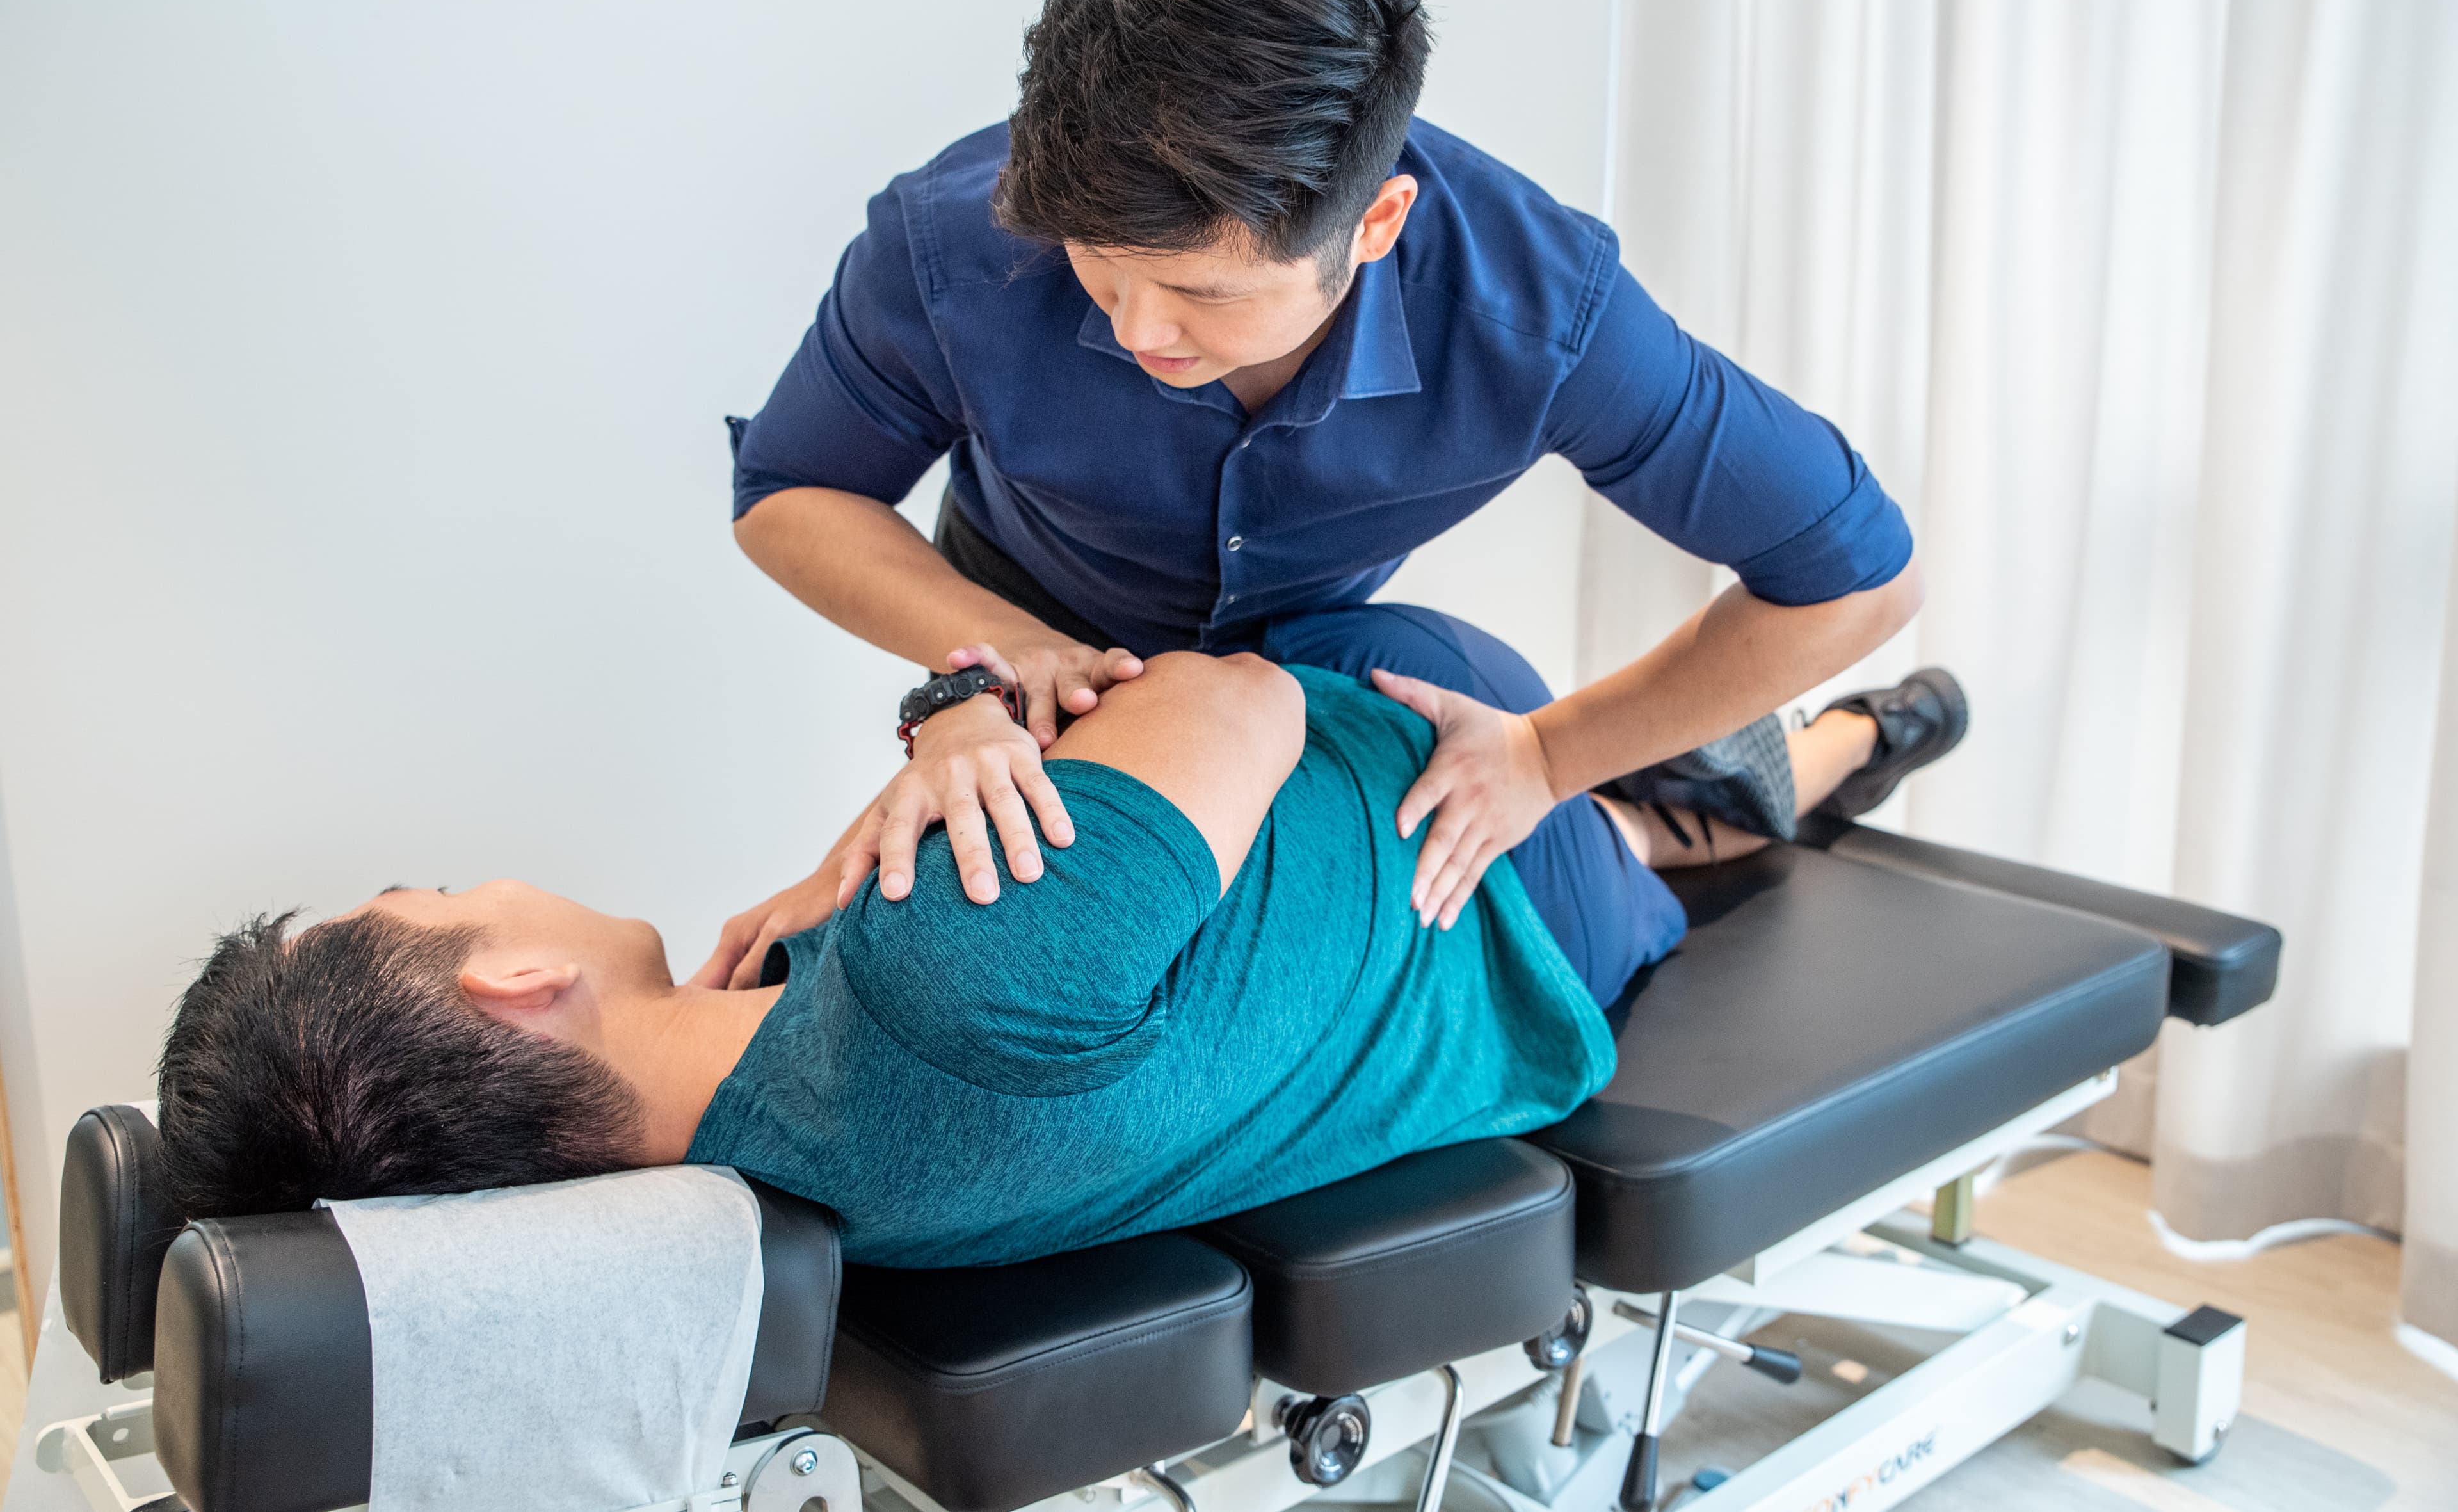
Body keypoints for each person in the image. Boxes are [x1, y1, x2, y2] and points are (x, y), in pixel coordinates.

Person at [719, 0, 1929, 978]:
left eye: (1207, 294)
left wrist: (1551, 763)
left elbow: (1855, 580)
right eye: (1097, 265)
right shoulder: (951, 241)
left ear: (1377, 224)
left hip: (1339, 685)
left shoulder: (1540, 310)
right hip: (1038, 696)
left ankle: (1817, 756)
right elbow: (790, 490)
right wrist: (988, 658)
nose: (1141, 330)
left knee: (1579, 909)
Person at [155, 622, 1965, 1266]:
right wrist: (964, 699)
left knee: (1663, 815)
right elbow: (1242, 697)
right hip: (1477, 870)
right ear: (511, 981)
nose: (502, 878)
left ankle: (1773, 767)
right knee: (1657, 825)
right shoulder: (953, 967)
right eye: (454, 883)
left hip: (1404, 896)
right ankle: (1816, 752)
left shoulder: (761, 1120)